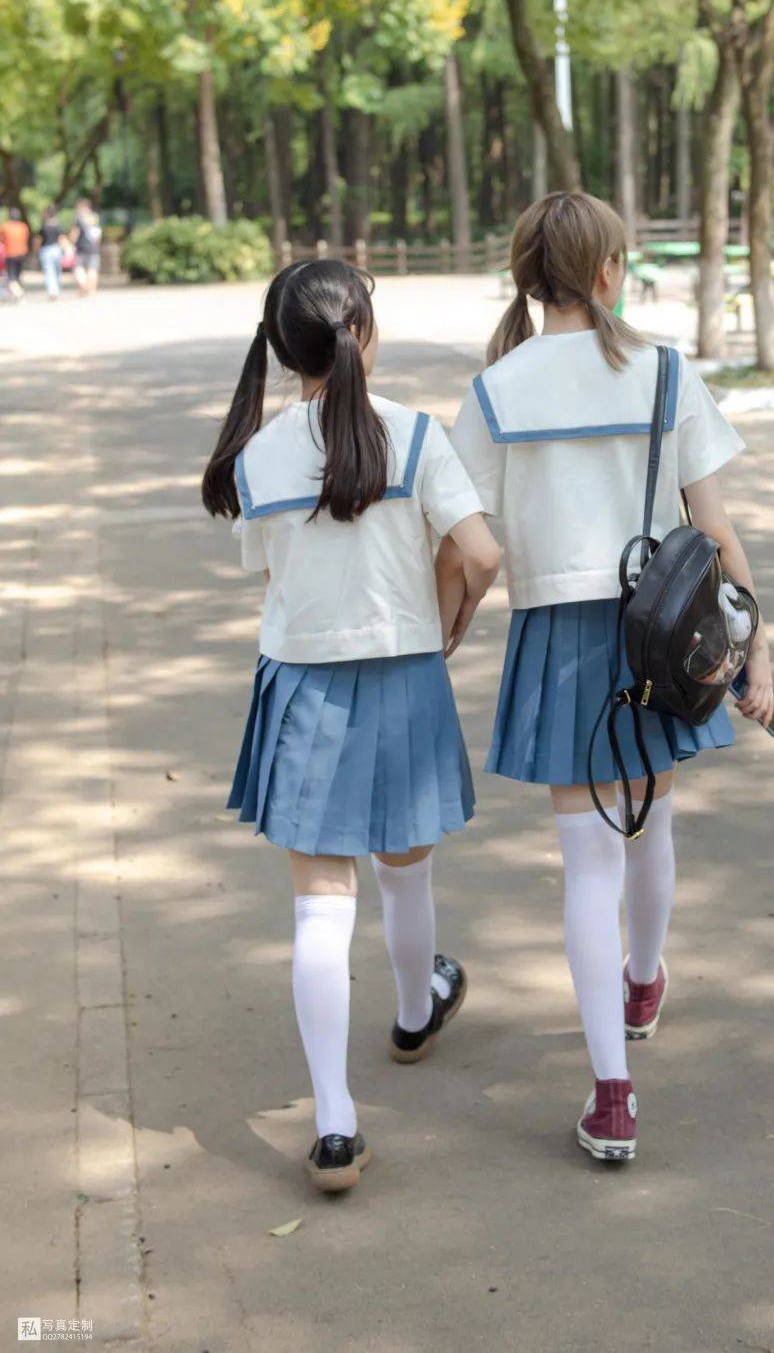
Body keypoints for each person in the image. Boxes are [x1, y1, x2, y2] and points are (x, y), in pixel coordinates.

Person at [446, 192, 774, 1163]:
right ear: (605, 272)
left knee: (588, 865)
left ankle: (614, 1098)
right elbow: (714, 530)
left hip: (559, 640)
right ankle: (643, 982)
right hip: (660, 632)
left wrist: (444, 633)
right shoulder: (666, 372)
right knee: (654, 823)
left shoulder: (499, 390)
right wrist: (762, 646)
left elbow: (468, 544)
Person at [202, 259, 500, 1193]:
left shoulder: (257, 457)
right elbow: (481, 554)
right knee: (405, 874)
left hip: (304, 686)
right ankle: (415, 1015)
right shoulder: (414, 435)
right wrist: (447, 614)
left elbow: (275, 580)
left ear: (286, 350)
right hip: (405, 675)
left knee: (319, 906)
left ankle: (335, 1127)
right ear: (362, 331)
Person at [73, 199, 103, 294]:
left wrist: (72, 243)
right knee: (93, 269)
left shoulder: (79, 218)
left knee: (78, 268)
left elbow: (75, 233)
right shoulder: (95, 218)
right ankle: (92, 289)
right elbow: (99, 234)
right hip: (94, 248)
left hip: (81, 247)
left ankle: (84, 284)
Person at [1, 206, 30, 297]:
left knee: (11, 276)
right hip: (22, 254)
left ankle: (19, 293)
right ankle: (16, 291)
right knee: (17, 275)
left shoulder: (5, 227)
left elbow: (2, 240)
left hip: (10, 254)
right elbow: (26, 239)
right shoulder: (24, 227)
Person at [37, 204, 63, 299]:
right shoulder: (58, 226)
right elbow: (61, 238)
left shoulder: (44, 226)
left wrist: (36, 250)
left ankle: (52, 292)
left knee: (49, 271)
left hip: (46, 250)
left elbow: (38, 240)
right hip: (56, 249)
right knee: (57, 271)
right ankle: (57, 290)